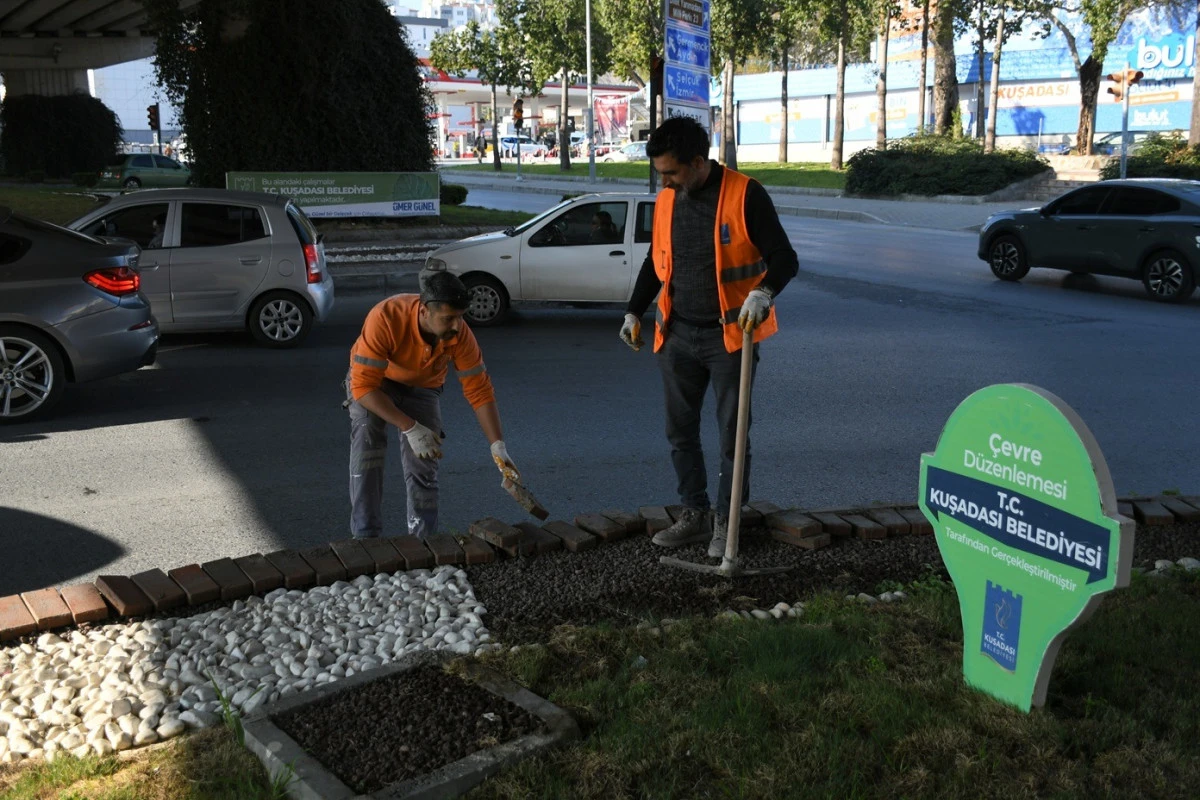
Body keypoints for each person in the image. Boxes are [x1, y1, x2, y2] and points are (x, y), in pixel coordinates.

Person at [618, 116, 798, 558]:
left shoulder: (745, 194)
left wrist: (764, 291)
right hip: (677, 335)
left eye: (672, 172)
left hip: (730, 338)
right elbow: (655, 262)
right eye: (661, 173)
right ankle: (694, 514)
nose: (665, 181)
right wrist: (633, 310)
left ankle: (727, 521)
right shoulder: (666, 200)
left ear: (698, 162)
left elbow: (784, 257)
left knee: (732, 436)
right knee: (679, 432)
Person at [345, 272, 520, 539]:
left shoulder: (460, 335)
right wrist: (410, 427)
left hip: (423, 388)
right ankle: (365, 538)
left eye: (461, 316)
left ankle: (423, 543)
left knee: (424, 464)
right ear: (424, 311)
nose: (458, 326)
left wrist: (498, 446)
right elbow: (362, 388)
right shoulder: (386, 317)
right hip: (376, 385)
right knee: (368, 448)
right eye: (449, 318)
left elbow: (479, 391)